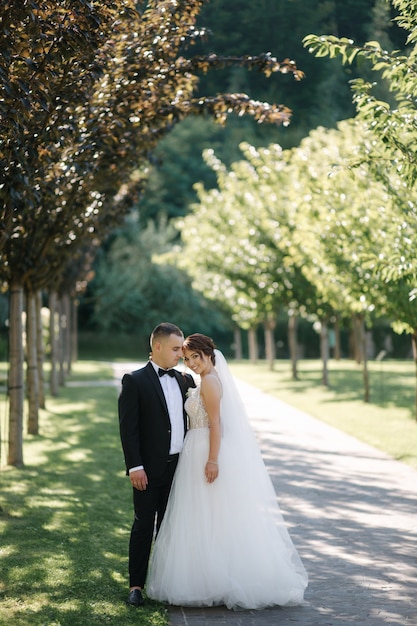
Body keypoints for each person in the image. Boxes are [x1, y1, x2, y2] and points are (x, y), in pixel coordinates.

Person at [146, 333, 308, 610]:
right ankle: (207, 578)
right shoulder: (201, 381)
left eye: (195, 357)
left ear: (208, 354)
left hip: (204, 452)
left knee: (211, 516)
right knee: (203, 517)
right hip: (194, 451)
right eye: (187, 359)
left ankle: (217, 580)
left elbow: (217, 424)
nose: (192, 363)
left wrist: (212, 460)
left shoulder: (210, 382)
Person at [118, 322, 196, 607]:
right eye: (176, 349)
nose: (180, 354)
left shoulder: (184, 381)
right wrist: (135, 466)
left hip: (179, 468)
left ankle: (163, 583)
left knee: (170, 526)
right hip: (147, 470)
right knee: (143, 525)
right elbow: (129, 430)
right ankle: (136, 585)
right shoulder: (134, 380)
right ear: (158, 347)